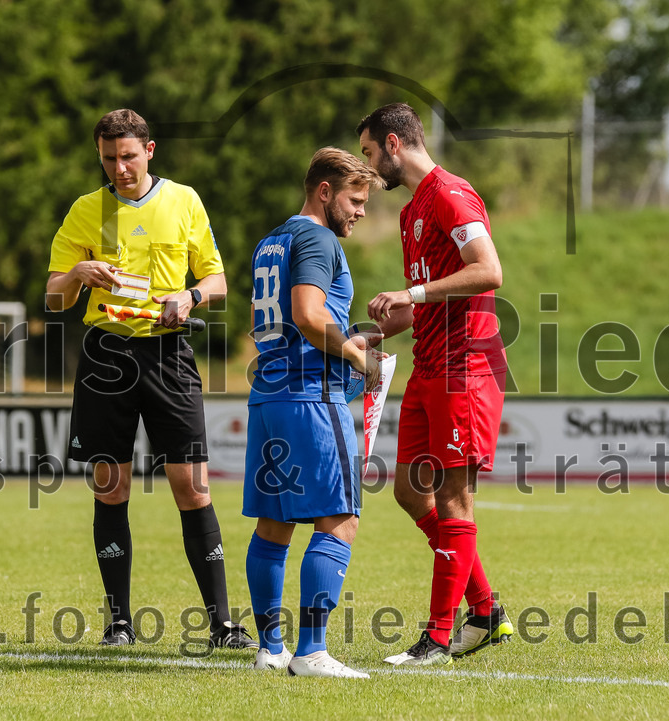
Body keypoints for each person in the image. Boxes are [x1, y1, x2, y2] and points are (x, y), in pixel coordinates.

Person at [46, 108, 255, 650]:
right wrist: (77, 275)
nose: (120, 167)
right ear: (99, 155)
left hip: (166, 353)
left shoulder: (183, 200)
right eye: (109, 158)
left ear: (150, 151)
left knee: (193, 485)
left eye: (129, 156)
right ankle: (119, 622)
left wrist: (188, 296)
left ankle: (222, 624)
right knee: (110, 487)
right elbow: (52, 294)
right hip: (105, 356)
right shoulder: (84, 210)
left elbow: (217, 278)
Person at [356, 103, 514, 666]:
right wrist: (364, 335)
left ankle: (438, 640)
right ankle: (488, 611)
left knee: (453, 499)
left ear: (395, 144)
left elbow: (488, 270)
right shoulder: (410, 214)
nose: (370, 168)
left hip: (464, 370)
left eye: (371, 153)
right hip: (428, 367)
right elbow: (419, 301)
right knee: (407, 492)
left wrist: (413, 295)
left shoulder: (450, 193)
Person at [243, 147, 383, 678]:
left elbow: (289, 319)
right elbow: (306, 314)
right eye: (355, 199)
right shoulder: (317, 237)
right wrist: (356, 356)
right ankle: (313, 652)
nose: (361, 211)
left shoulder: (271, 240)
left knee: (275, 524)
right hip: (312, 398)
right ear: (324, 191)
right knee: (341, 520)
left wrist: (351, 338)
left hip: (270, 396)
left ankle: (270, 648)